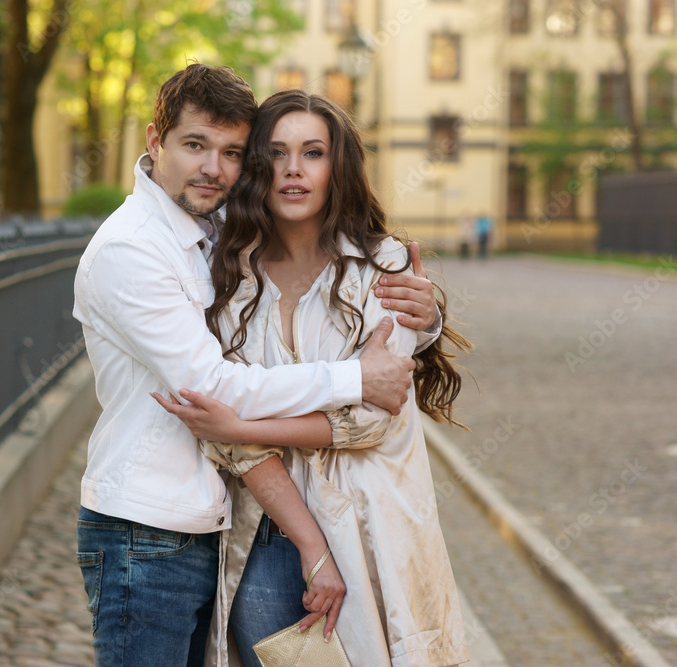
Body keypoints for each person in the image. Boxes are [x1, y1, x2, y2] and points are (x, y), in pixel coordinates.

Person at [72, 65, 440, 667]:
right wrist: (355, 380)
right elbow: (215, 389)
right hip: (157, 528)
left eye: (232, 153)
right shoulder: (142, 251)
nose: (213, 167)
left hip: (274, 524)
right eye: (195, 145)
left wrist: (427, 320)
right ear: (155, 141)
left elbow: (376, 403)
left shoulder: (217, 235)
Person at [155, 90, 472, 666]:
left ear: (337, 166)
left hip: (373, 526)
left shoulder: (384, 269)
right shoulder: (227, 277)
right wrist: (236, 431)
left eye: (313, 152)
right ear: (256, 166)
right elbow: (221, 419)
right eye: (276, 153)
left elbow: (371, 418)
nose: (294, 169)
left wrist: (241, 424)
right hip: (268, 529)